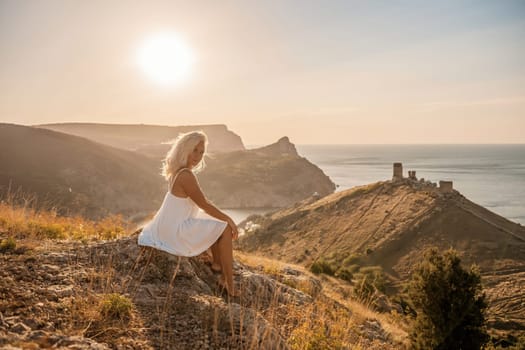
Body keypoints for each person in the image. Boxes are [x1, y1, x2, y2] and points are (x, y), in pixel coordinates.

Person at [138, 131, 239, 297]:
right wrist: (230, 220)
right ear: (185, 149)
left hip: (167, 227)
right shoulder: (186, 175)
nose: (198, 156)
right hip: (176, 232)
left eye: (201, 152)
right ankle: (227, 282)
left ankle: (217, 265)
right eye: (195, 150)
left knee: (216, 222)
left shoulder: (177, 170)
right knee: (226, 228)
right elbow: (204, 205)